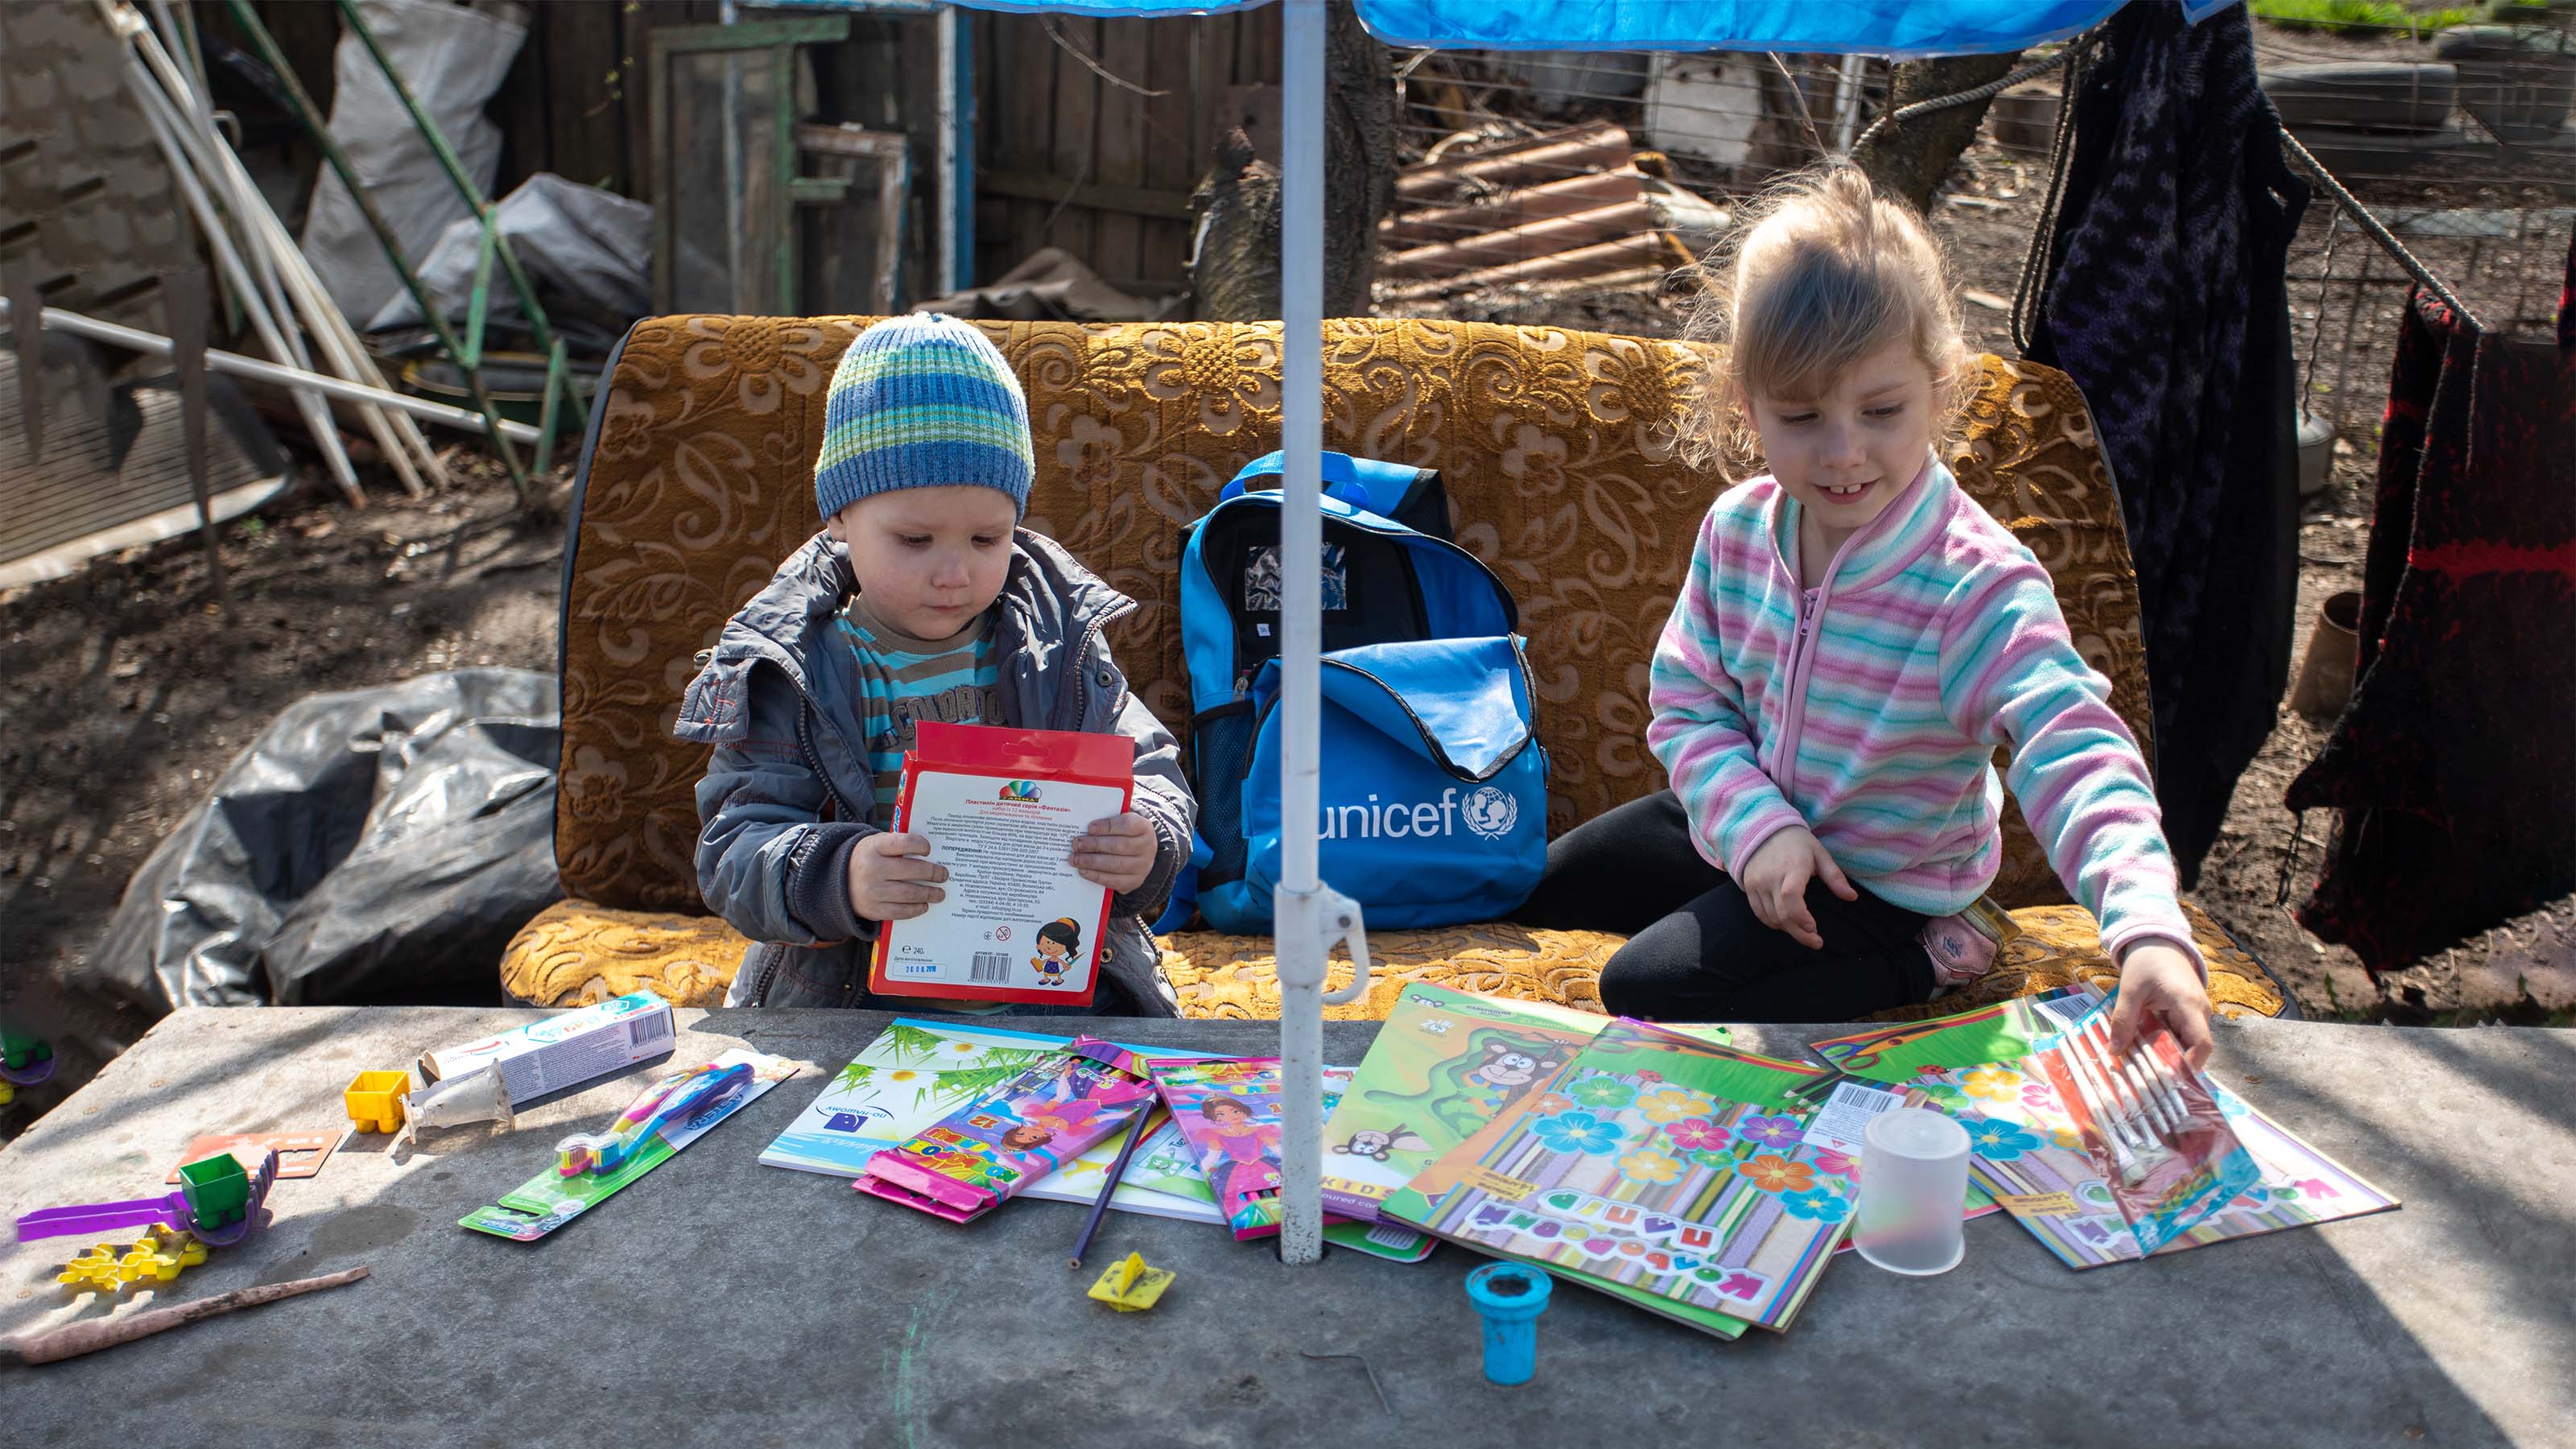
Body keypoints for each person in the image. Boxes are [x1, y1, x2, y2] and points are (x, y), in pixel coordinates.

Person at [1513, 162, 2214, 1066]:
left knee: (1644, 989)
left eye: (1880, 410)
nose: (1843, 454)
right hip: (1753, 821)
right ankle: (1745, 886)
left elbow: (2072, 747)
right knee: (1543, 885)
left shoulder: (1977, 584)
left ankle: (1929, 958)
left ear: (1938, 385)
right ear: (1745, 404)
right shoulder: (1736, 528)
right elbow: (1689, 705)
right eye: (1800, 416)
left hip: (1883, 884)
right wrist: (1758, 829)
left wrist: (2148, 931)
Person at [679, 313, 1194, 1014]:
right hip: (854, 1007)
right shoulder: (796, 665)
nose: (954, 573)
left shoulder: (1059, 642)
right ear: (838, 517)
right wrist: (838, 875)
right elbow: (733, 849)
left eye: (988, 538)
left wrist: (1148, 842)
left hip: (1061, 993)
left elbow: (1149, 770)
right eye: (915, 539)